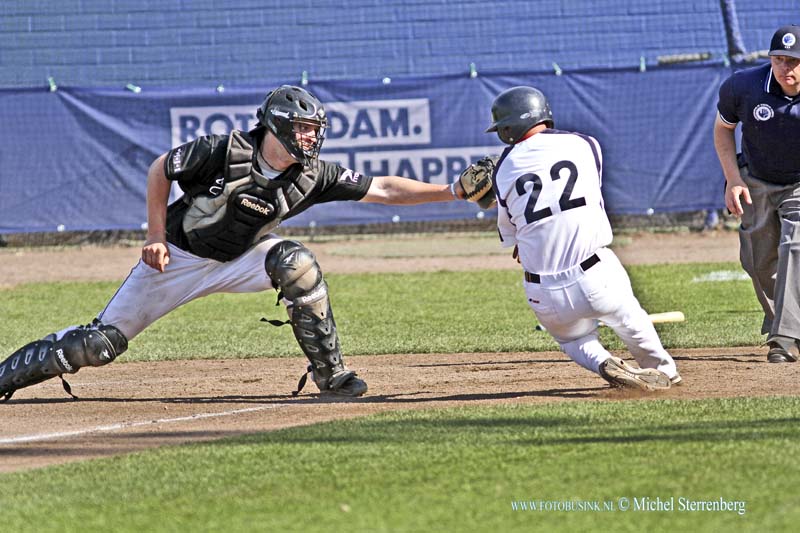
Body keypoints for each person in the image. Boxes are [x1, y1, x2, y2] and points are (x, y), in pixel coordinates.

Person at [0, 85, 472, 401]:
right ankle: (7, 376)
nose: (313, 136)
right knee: (97, 347)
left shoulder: (313, 176)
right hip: (177, 260)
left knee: (296, 263)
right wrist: (156, 237)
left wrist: (452, 191)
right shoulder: (224, 150)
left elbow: (385, 188)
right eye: (305, 127)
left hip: (239, 258)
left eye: (316, 129)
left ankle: (332, 375)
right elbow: (160, 169)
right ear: (279, 125)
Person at [486, 86, 681, 390]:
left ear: (510, 127)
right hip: (595, 274)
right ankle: (664, 371)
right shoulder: (584, 144)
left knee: (572, 338)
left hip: (543, 291)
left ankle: (602, 361)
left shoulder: (503, 169)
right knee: (630, 318)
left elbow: (513, 237)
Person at [714, 25, 800, 363]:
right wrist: (733, 180)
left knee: (794, 247)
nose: (786, 69)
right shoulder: (743, 86)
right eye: (779, 60)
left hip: (798, 183)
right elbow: (723, 131)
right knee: (757, 261)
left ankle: (783, 337)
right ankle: (790, 323)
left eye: (794, 62)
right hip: (756, 179)